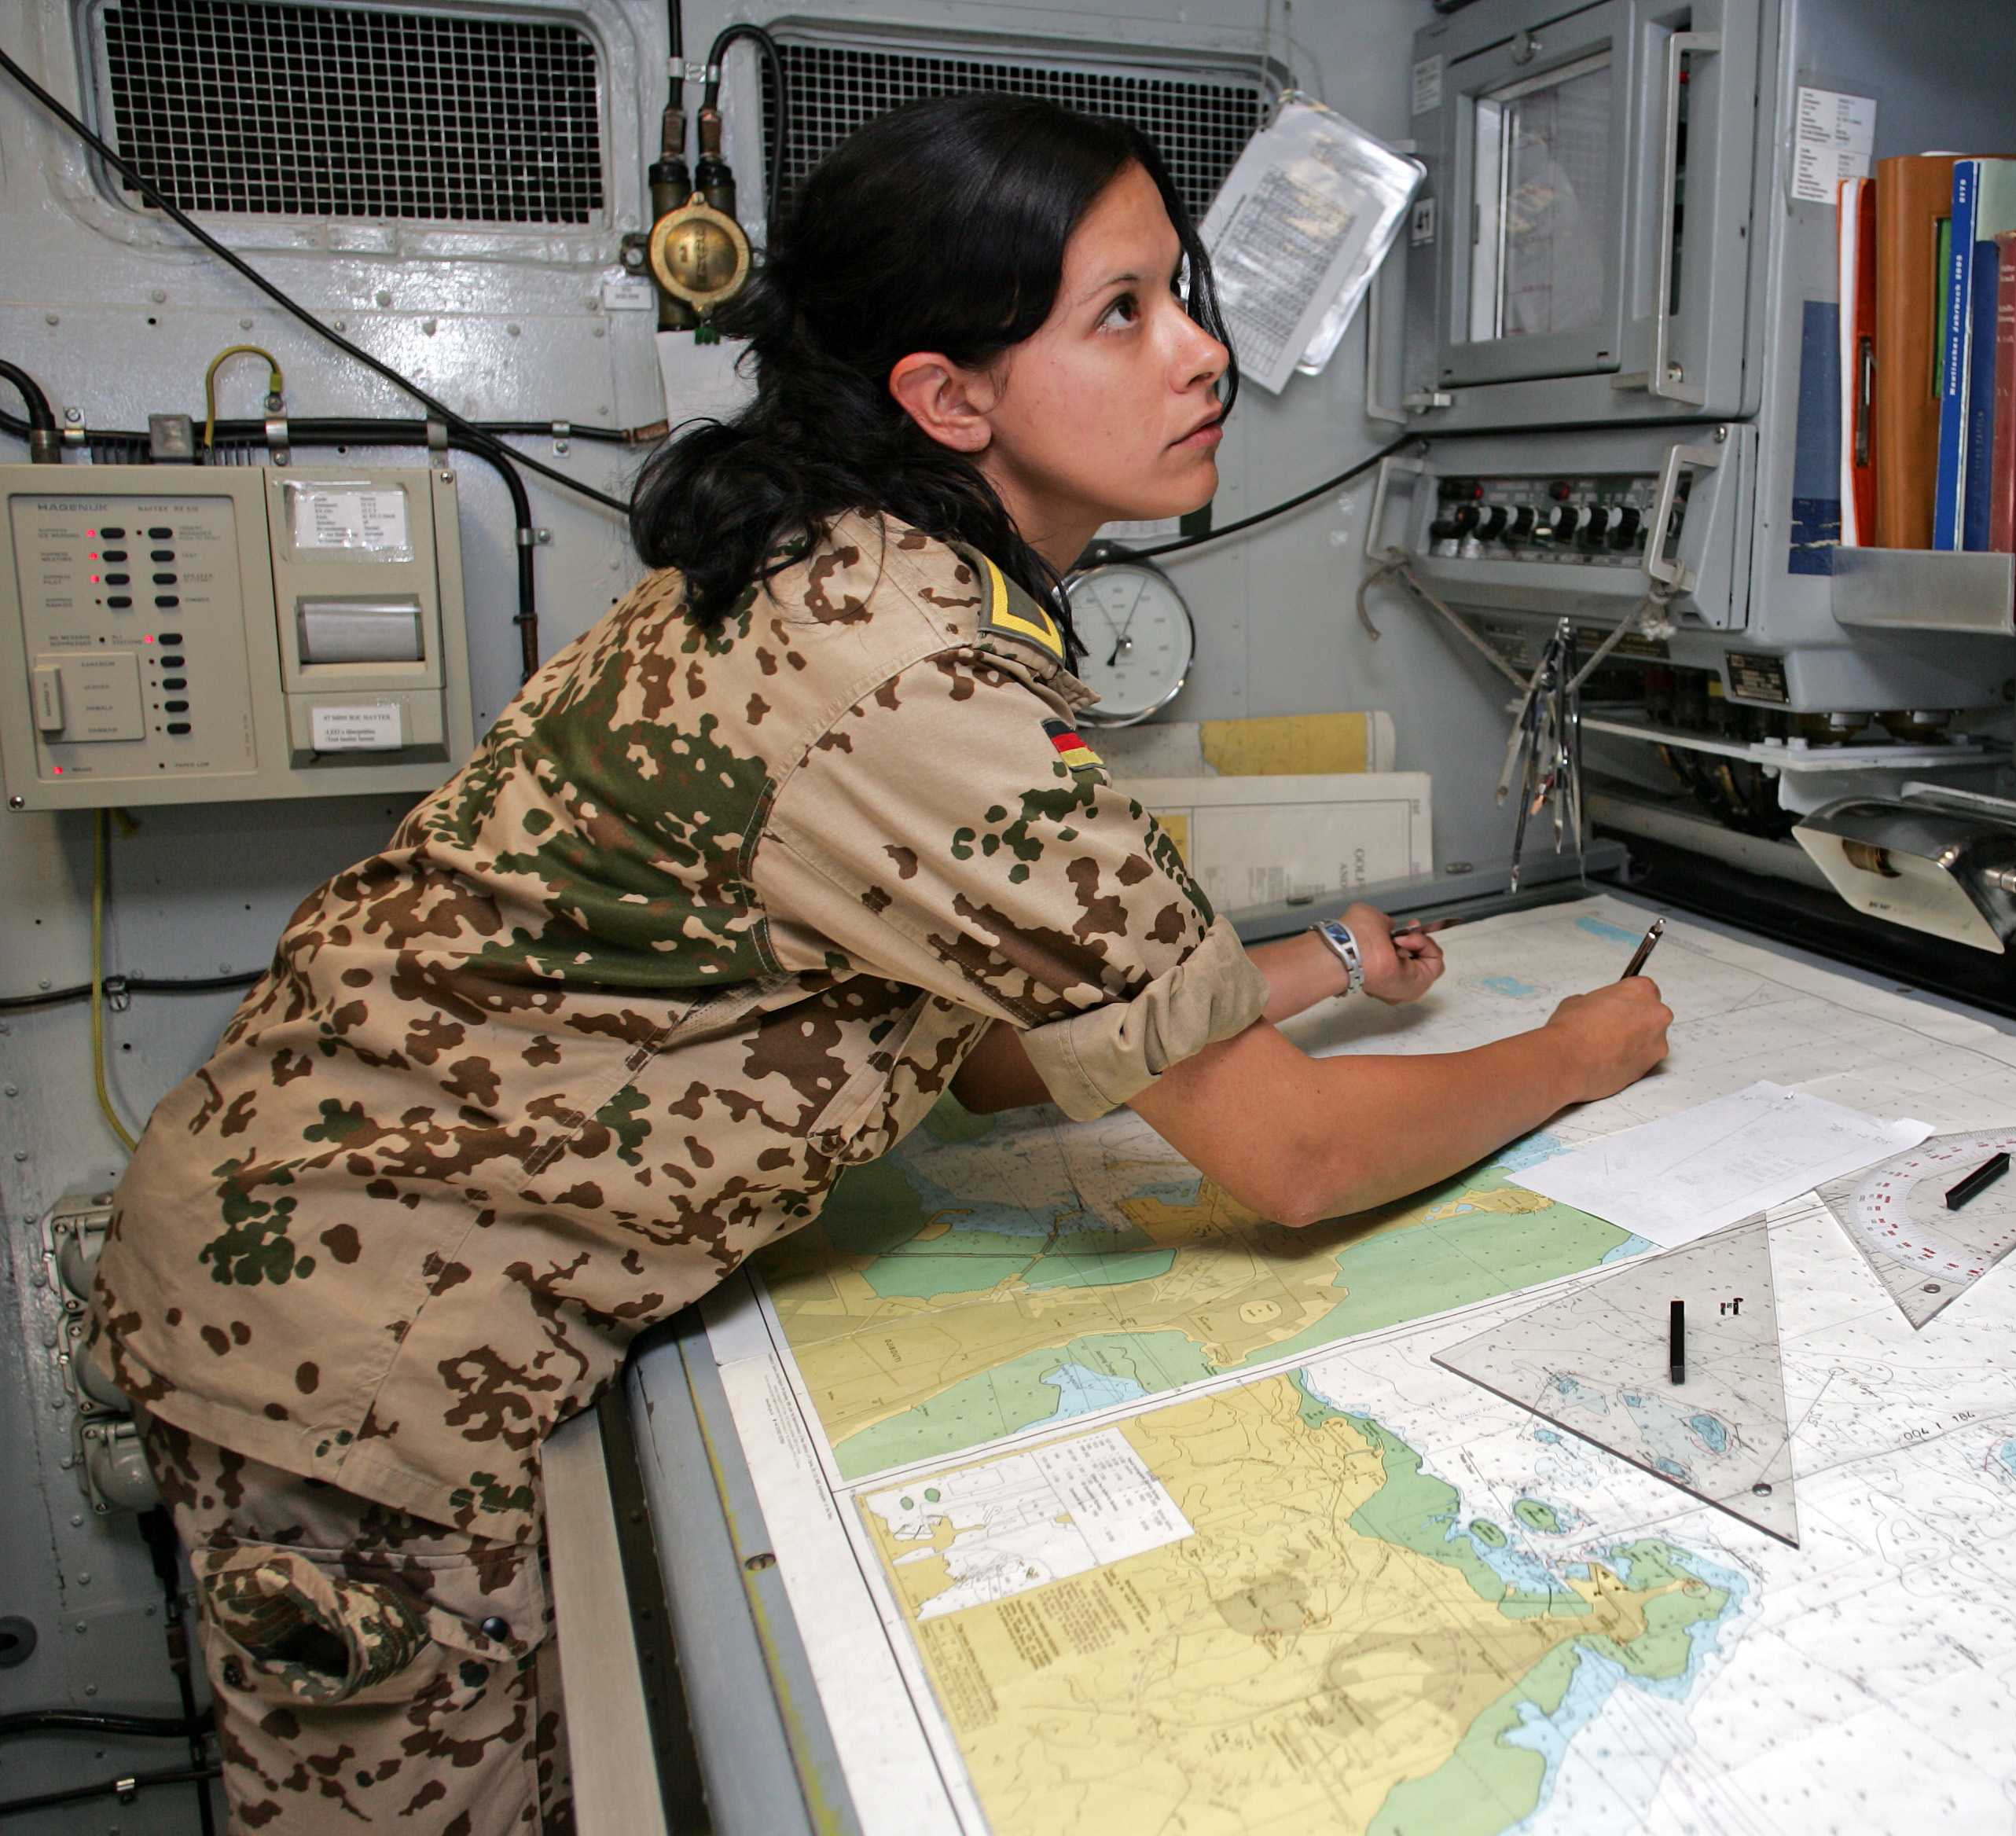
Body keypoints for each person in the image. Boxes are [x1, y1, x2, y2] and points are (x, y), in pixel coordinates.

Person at [86, 93, 1671, 1832]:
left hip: (336, 1258)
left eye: (1186, 296)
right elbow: (1293, 1161)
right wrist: (1582, 1049)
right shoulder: (911, 672)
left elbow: (979, 1037)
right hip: (340, 1350)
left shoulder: (831, 558)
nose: (1203, 356)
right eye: (1123, 313)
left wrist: (1312, 976)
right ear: (948, 395)